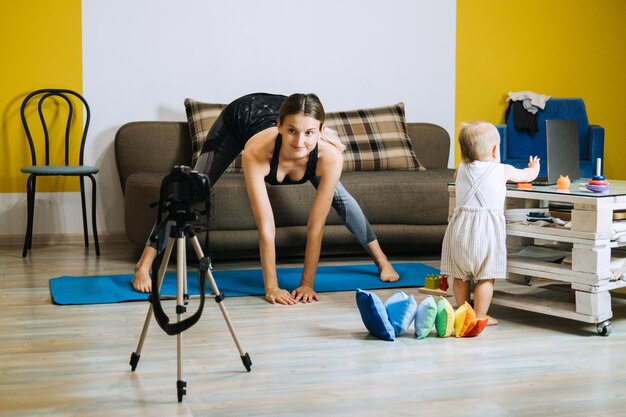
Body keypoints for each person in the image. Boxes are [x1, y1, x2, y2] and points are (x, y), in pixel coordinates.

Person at [131, 92, 400, 304]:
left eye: (309, 133)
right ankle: (144, 266)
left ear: (320, 131)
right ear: (280, 126)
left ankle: (382, 260)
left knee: (340, 197)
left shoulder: (329, 157)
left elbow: (315, 227)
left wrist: (307, 284)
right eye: (292, 131)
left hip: (286, 114)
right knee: (191, 190)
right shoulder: (257, 153)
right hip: (239, 119)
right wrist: (271, 287)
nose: (299, 142)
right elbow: (266, 228)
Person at [440, 121, 540, 334]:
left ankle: (463, 312)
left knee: (460, 275)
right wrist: (534, 168)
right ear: (495, 150)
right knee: (486, 275)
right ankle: (479, 316)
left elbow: (457, 179)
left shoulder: (461, 169)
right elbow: (527, 176)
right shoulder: (502, 170)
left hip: (459, 231)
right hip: (485, 232)